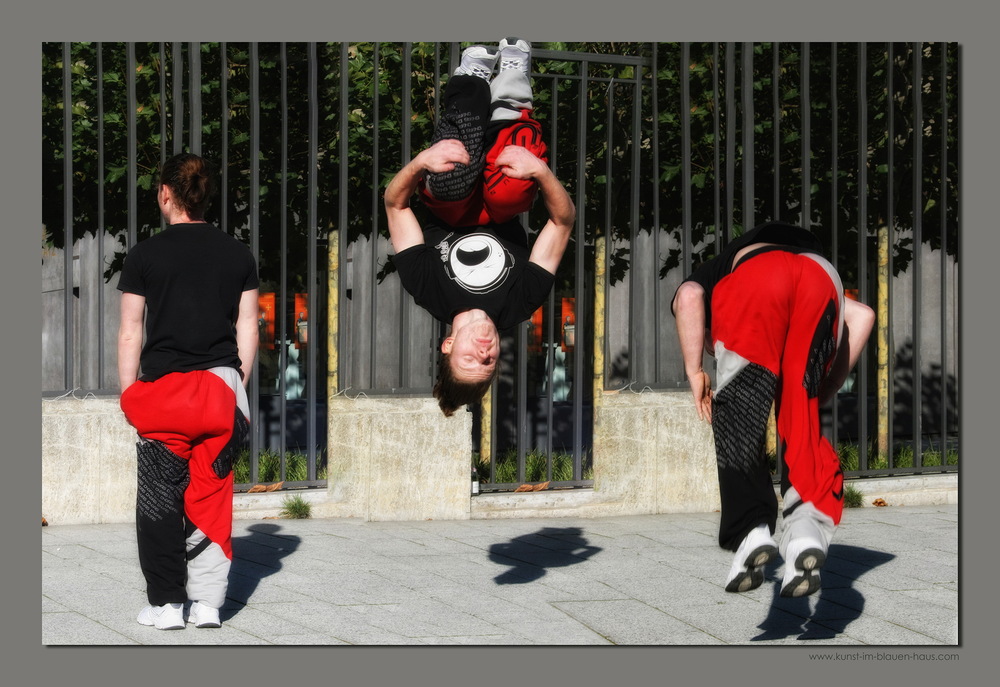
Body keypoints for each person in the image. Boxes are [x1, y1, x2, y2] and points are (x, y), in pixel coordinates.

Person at [671, 221, 875, 598]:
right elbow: (862, 316)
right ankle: (805, 534)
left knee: (738, 417)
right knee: (800, 418)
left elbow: (688, 296)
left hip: (756, 277)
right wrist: (825, 387)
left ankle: (751, 533)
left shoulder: (717, 269)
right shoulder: (804, 256)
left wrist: (695, 369)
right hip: (820, 276)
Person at [384, 39, 576, 417]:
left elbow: (395, 203)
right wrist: (540, 171)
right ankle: (512, 82)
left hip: (452, 205)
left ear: (448, 345)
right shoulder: (522, 302)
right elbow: (562, 220)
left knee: (451, 174)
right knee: (514, 186)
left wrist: (421, 162)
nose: (484, 353)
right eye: (487, 364)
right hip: (500, 205)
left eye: (470, 359)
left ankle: (469, 83)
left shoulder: (426, 288)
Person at [117, 153, 259, 630]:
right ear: (204, 196)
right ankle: (208, 606)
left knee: (159, 498)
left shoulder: (143, 256)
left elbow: (130, 332)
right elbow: (247, 326)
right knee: (212, 495)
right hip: (220, 387)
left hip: (163, 392)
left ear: (165, 195)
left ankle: (166, 605)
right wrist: (237, 386)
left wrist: (127, 394)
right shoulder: (238, 254)